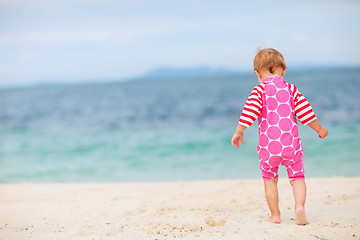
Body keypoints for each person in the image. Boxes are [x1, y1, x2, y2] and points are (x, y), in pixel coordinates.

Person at [231, 48, 328, 225]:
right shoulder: (291, 89)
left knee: (270, 181)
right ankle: (299, 207)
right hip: (291, 144)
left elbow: (248, 114)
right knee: (297, 178)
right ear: (283, 70)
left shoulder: (259, 91)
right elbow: (306, 113)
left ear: (257, 73)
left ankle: (275, 215)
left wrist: (239, 131)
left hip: (269, 148)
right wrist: (319, 129)